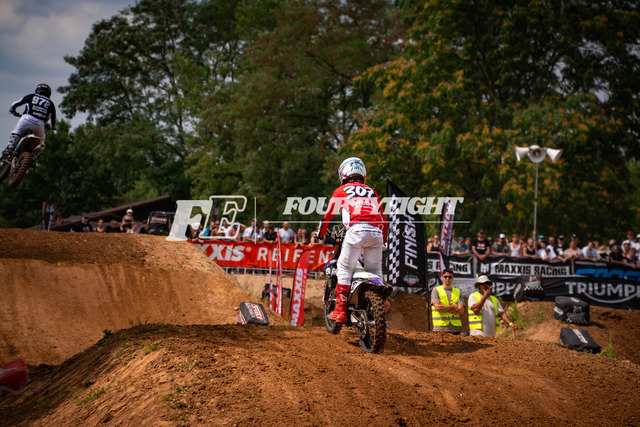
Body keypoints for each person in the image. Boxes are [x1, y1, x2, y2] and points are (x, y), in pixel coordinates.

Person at [317, 157, 387, 324]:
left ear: (344, 173)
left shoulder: (342, 190)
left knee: (344, 268)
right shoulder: (371, 191)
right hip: (376, 233)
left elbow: (328, 215)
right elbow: (384, 220)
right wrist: (383, 240)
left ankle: (340, 310)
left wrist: (321, 234)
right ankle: (379, 303)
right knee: (375, 271)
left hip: (356, 231)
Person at [3, 84, 57, 159]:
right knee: (41, 142)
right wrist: (53, 126)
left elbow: (16, 103)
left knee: (16, 132)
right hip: (39, 124)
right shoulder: (50, 103)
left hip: (26, 118)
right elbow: (52, 117)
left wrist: (12, 110)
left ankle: (10, 148)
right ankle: (33, 157)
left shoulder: (31, 96)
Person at [430, 268, 464, 334]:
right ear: (442, 277)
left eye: (450, 277)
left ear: (453, 278)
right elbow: (438, 308)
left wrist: (444, 307)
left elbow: (461, 311)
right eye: (445, 277)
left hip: (455, 329)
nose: (447, 278)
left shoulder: (458, 292)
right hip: (440, 328)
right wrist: (453, 306)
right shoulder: (436, 290)